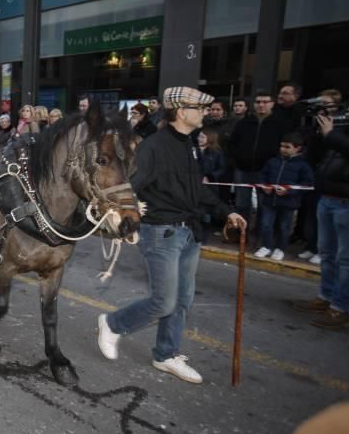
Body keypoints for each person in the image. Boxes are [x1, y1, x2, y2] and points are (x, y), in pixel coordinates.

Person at [96, 87, 247, 384]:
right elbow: (132, 185)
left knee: (182, 301)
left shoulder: (187, 144)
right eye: (199, 107)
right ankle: (112, 323)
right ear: (181, 112)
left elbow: (195, 189)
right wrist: (120, 219)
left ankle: (166, 355)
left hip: (189, 232)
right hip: (161, 232)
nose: (205, 112)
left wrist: (224, 211)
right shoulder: (154, 146)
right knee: (164, 301)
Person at [292, 101, 349, 329]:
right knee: (327, 252)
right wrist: (320, 134)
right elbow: (315, 158)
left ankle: (341, 308)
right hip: (327, 197)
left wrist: (332, 135)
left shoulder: (340, 135)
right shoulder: (342, 130)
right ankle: (325, 297)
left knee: (347, 258)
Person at [226, 90, 285, 231]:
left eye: (265, 102)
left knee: (264, 205)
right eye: (258, 102)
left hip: (266, 172)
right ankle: (241, 234)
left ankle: (260, 236)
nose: (261, 105)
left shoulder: (279, 123)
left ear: (272, 104)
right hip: (243, 169)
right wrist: (238, 157)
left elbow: (284, 145)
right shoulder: (244, 123)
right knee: (241, 204)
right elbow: (232, 143)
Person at [252, 132, 314, 261]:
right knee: (266, 224)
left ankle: (280, 248)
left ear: (297, 148)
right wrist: (264, 186)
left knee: (284, 226)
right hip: (269, 200)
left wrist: (289, 191)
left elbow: (306, 184)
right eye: (281, 146)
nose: (283, 149)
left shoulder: (303, 165)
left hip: (288, 202)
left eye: (287, 147)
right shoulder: (272, 161)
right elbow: (262, 175)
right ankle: (266, 246)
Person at [197, 129, 227, 243]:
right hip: (195, 186)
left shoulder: (217, 153)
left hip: (209, 188)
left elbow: (222, 168)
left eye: (202, 137)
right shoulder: (193, 150)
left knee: (206, 214)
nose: (199, 139)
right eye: (199, 136)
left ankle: (204, 238)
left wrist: (210, 177)